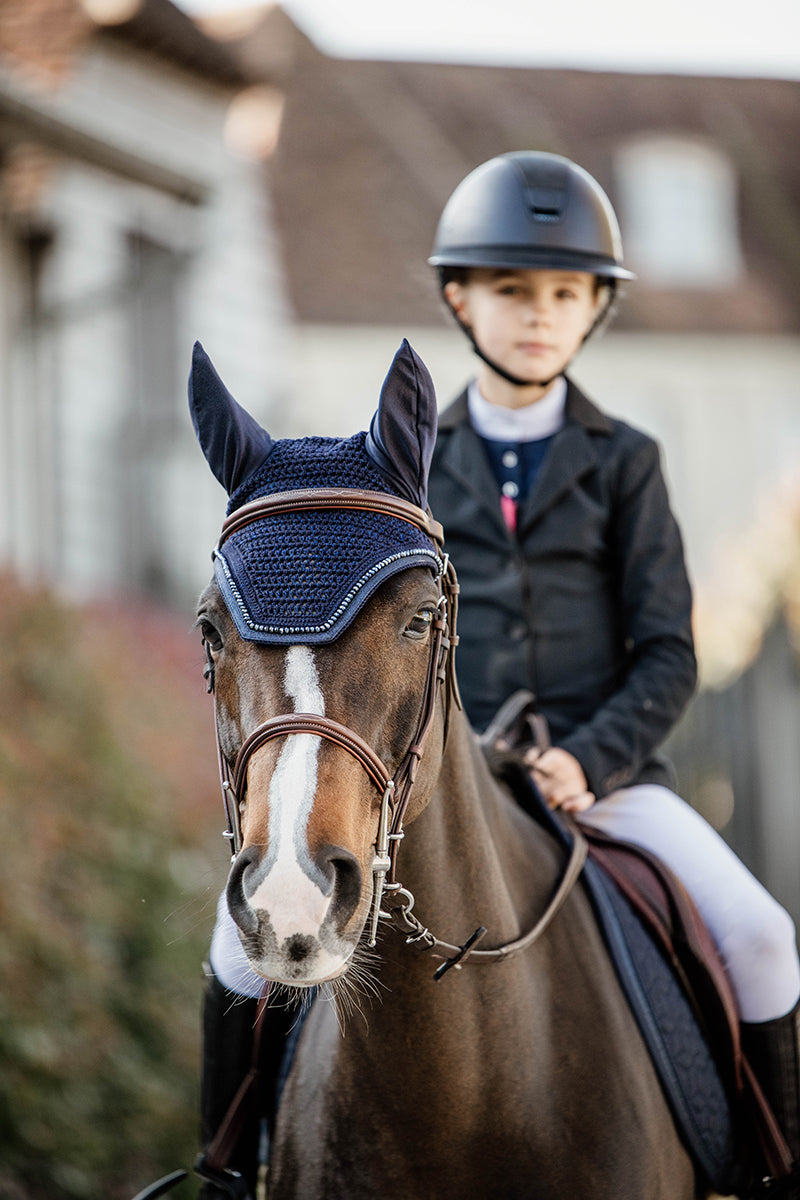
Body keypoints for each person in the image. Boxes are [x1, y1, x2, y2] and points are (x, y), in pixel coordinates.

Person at [426, 150, 800, 1191]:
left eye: (565, 293)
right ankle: (234, 1164)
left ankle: (773, 1172)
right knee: (248, 944)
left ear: (594, 307)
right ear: (460, 298)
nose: (538, 316)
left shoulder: (627, 460)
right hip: (444, 787)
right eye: (512, 290)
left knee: (763, 937)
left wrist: (586, 761)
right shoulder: (412, 464)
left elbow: (669, 653)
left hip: (606, 781)